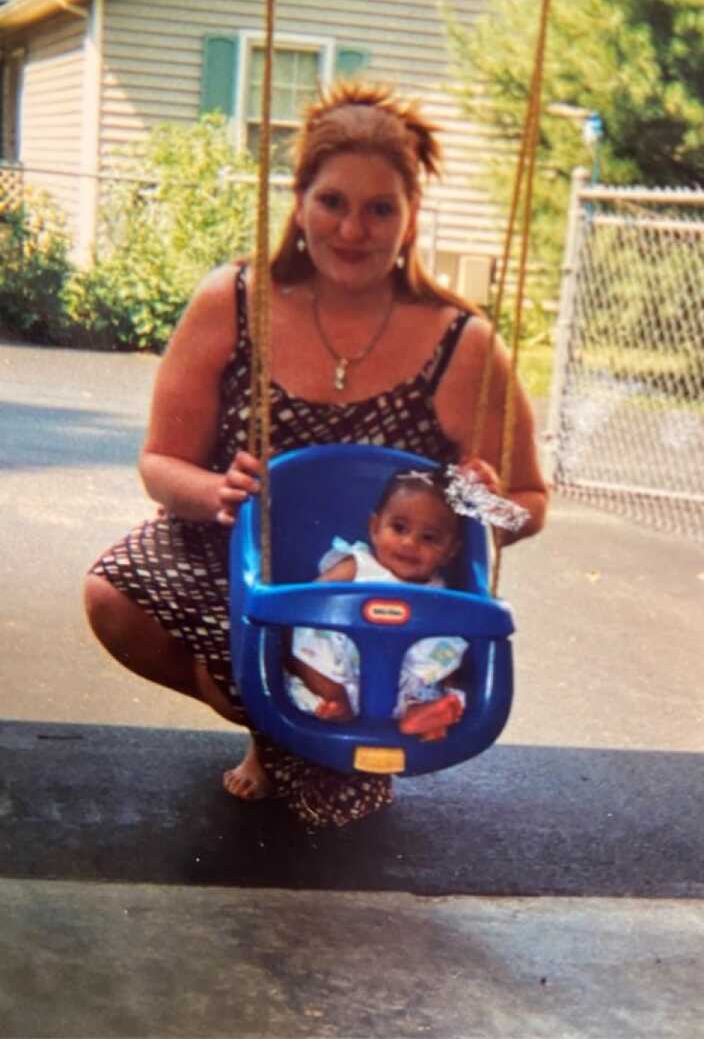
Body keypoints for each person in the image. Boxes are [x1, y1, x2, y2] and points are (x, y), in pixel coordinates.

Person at [84, 80, 548, 828]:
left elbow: (525, 510)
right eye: (333, 202)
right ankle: (261, 713)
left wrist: (477, 500)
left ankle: (304, 730)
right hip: (235, 562)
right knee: (113, 593)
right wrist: (214, 492)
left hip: (379, 600)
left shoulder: (461, 341)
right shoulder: (233, 301)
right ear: (299, 203)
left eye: (379, 209)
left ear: (410, 219)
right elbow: (159, 464)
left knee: (332, 811)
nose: (353, 230)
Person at [284, 466, 471, 742]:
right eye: (399, 528)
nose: (409, 543)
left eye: (429, 538)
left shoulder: (440, 591)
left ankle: (419, 712)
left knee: (451, 646)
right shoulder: (358, 565)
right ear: (374, 528)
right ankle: (334, 699)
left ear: (450, 551)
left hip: (404, 676)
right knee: (302, 635)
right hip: (343, 664)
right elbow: (311, 599)